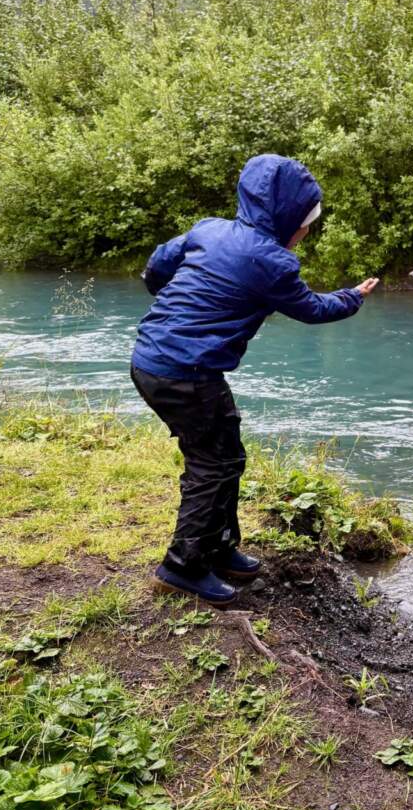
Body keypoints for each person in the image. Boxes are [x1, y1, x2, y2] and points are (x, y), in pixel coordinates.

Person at [130, 153, 379, 607]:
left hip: (150, 360)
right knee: (214, 464)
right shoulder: (273, 263)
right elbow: (314, 309)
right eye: (306, 223)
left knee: (226, 453)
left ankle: (220, 547)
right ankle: (181, 567)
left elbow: (158, 265)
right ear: (288, 219)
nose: (306, 231)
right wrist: (352, 297)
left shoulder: (209, 229)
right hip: (187, 373)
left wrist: (158, 288)